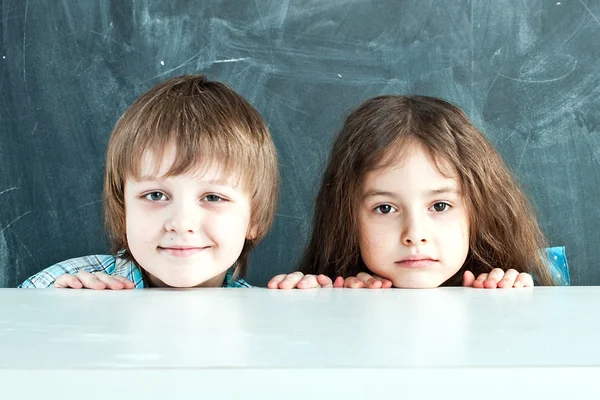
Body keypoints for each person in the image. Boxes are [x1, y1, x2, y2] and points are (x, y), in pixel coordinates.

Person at [269, 95, 555, 289]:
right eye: (385, 208)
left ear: (478, 212)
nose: (414, 234)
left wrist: (516, 305)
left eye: (440, 206)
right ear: (346, 219)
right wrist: (306, 305)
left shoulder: (512, 289)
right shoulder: (329, 297)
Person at [20, 75, 278, 289]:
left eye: (213, 197)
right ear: (123, 212)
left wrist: (315, 304)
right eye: (156, 195)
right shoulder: (58, 288)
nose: (181, 223)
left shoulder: (271, 316)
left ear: (253, 218)